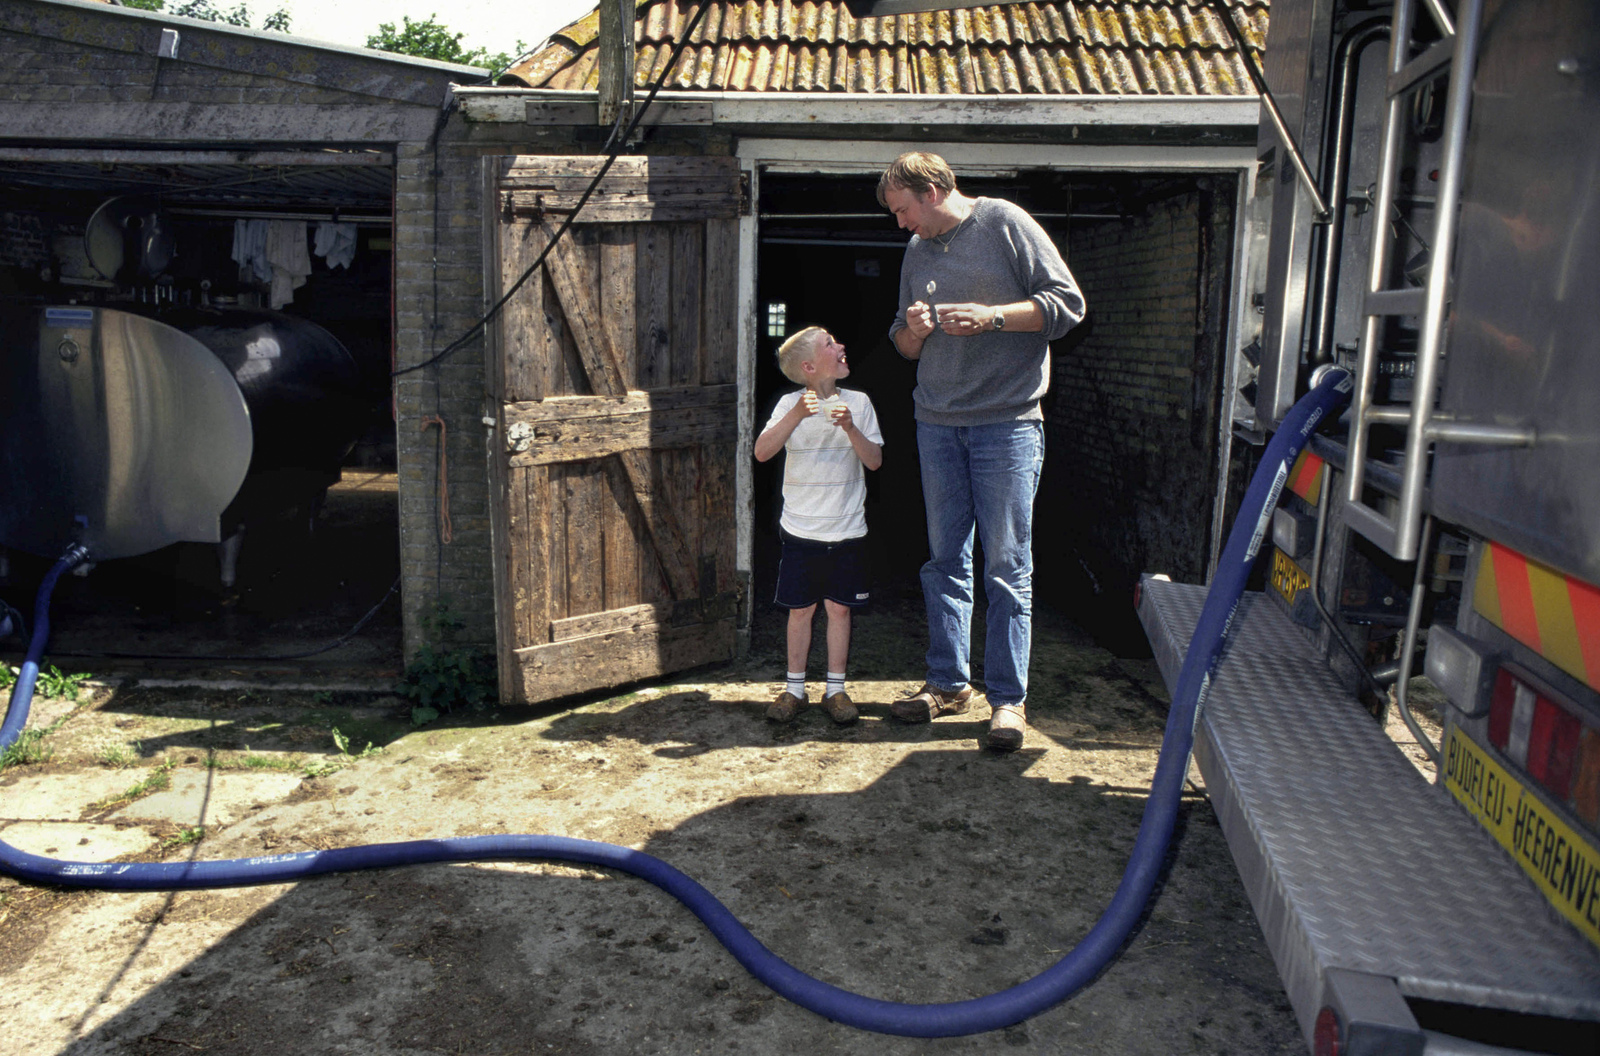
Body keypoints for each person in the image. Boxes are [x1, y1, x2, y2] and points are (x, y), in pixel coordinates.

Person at [879, 151, 1085, 751]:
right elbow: (902, 345)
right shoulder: (917, 251)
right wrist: (913, 331)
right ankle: (947, 684)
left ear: (936, 188)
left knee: (1006, 566)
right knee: (944, 559)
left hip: (1007, 424)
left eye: (903, 210)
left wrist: (994, 317)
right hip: (936, 423)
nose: (900, 224)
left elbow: (1067, 306)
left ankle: (1008, 701)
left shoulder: (1004, 224)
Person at [754, 326, 885, 724]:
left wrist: (849, 428)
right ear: (810, 367)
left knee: (840, 611)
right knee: (800, 611)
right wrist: (797, 414)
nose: (842, 345)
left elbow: (875, 461)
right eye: (831, 343)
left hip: (847, 530)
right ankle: (794, 690)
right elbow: (762, 452)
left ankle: (835, 690)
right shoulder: (788, 404)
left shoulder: (859, 404)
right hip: (801, 531)